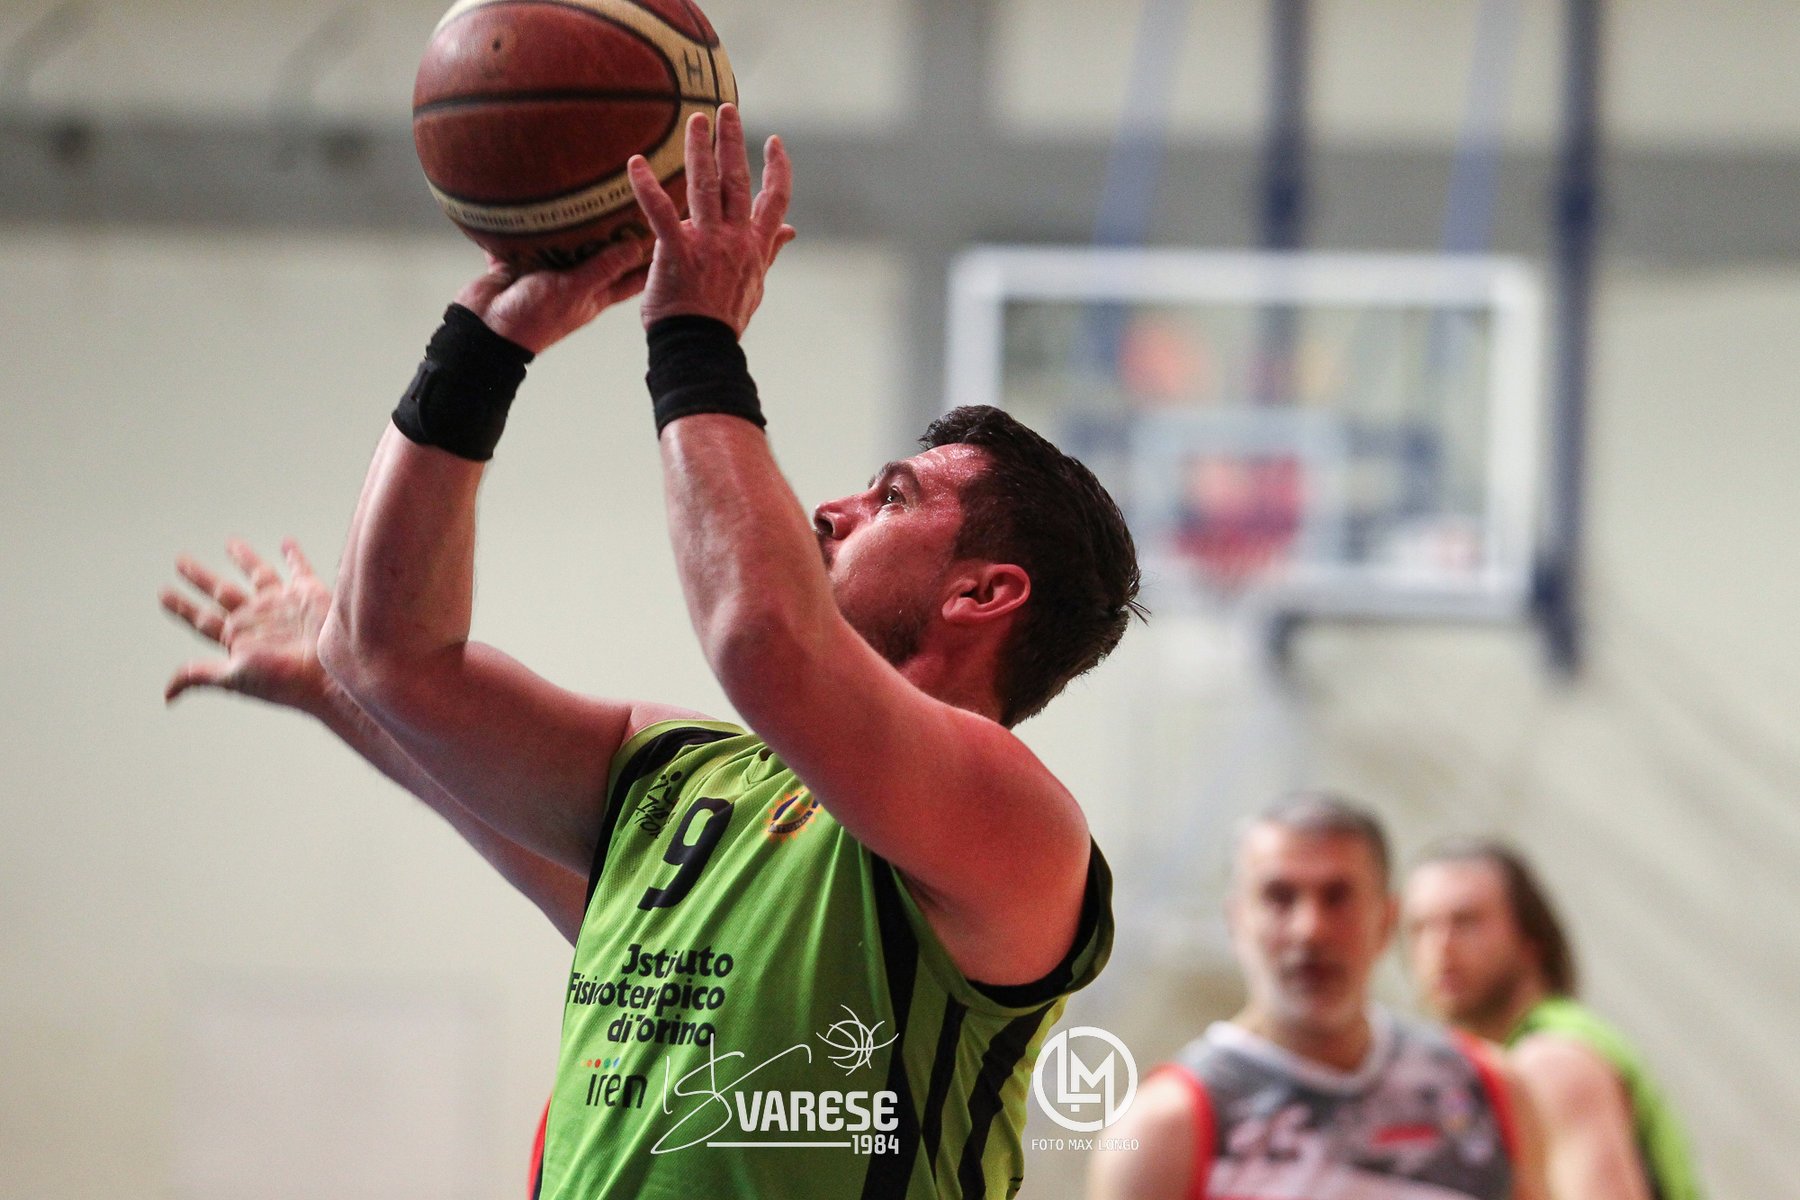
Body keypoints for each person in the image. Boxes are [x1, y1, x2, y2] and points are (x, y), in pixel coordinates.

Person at [161, 104, 1143, 1200]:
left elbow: (764, 645)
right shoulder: (682, 776)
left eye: (893, 498)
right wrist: (483, 340)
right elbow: (391, 656)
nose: (834, 509)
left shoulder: (1014, 822)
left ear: (983, 592)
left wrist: (694, 338)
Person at [1090, 794, 1549, 1200]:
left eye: (1337, 896)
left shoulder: (1487, 1088)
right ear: (1236, 921)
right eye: (1279, 897)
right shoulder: (1166, 1127)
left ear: (1386, 920)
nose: (1310, 930)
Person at [1403, 839, 1706, 1200]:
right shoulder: (1497, 1062)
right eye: (1420, 928)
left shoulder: (1550, 1061)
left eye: (1466, 922)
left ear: (1531, 939)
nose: (1440, 946)